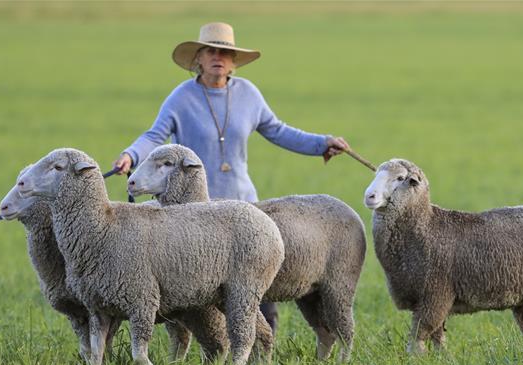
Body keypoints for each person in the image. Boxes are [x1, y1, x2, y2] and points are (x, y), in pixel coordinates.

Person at [113, 22, 351, 332]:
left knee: (254, 280)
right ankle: (208, 348)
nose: (218, 57)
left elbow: (278, 131)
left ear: (233, 61)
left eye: (225, 52)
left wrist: (321, 143)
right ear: (198, 58)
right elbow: (155, 135)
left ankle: (265, 349)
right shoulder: (182, 97)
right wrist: (131, 155)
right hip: (195, 212)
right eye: (211, 51)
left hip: (243, 205)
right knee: (199, 287)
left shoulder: (249, 95)